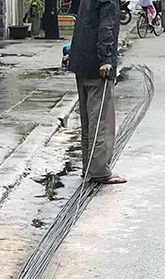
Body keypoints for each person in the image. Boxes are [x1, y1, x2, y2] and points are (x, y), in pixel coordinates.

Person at [66, 0, 127, 185]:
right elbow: (106, 27)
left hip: (81, 61)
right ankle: (99, 170)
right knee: (101, 120)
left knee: (88, 119)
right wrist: (105, 59)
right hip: (96, 65)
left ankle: (89, 167)